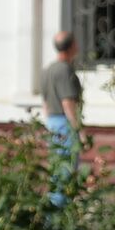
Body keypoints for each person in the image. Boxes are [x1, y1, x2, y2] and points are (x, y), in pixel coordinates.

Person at [41, 30, 83, 207]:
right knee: (66, 171)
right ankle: (59, 216)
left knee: (56, 170)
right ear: (72, 46)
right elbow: (68, 103)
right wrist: (78, 130)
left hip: (52, 122)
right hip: (65, 124)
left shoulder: (48, 69)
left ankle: (54, 215)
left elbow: (45, 102)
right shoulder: (64, 70)